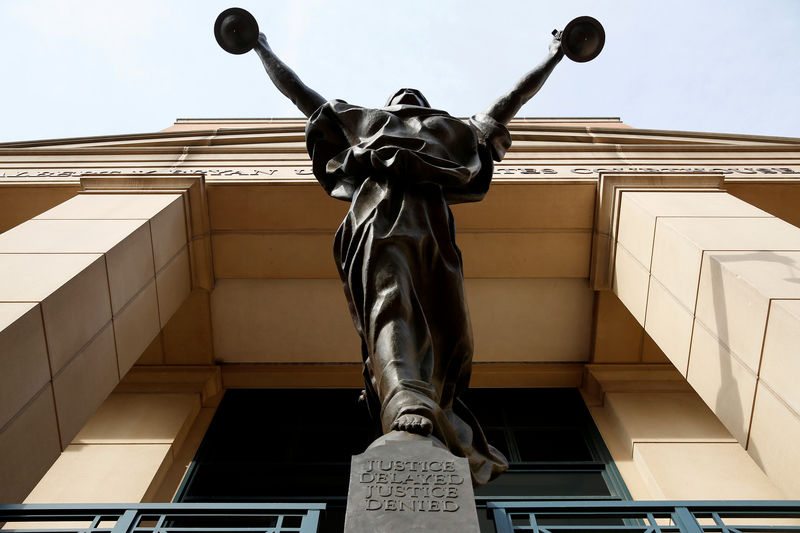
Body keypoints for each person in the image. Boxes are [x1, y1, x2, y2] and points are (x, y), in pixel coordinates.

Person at [254, 32, 564, 486]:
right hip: (378, 214)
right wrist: (262, 47)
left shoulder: (452, 131)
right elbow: (303, 95)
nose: (408, 95)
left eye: (417, 95)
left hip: (433, 224)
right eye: (400, 96)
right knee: (391, 300)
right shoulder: (365, 122)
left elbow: (510, 101)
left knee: (449, 329)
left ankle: (435, 403)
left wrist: (555, 55)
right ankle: (406, 402)